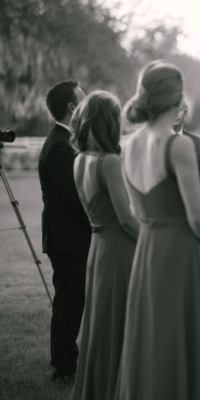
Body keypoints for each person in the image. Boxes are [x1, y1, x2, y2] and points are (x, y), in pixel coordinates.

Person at [114, 60, 200, 400]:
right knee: (179, 335)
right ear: (176, 97)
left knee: (152, 334)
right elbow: (197, 215)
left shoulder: (127, 146)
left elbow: (135, 208)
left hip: (146, 248)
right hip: (179, 251)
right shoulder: (178, 145)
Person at [69, 91, 139, 400]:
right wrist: (153, 241)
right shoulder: (109, 161)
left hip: (98, 248)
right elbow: (125, 219)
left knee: (102, 325)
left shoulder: (80, 159)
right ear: (109, 121)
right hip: (118, 248)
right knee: (120, 324)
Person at [38, 79, 90, 382]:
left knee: (73, 300)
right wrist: (99, 225)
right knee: (69, 303)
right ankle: (64, 368)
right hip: (68, 237)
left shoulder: (65, 140)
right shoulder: (59, 145)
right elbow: (75, 198)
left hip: (71, 236)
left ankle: (70, 361)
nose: (85, 105)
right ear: (72, 107)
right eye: (82, 100)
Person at [173, 99, 200, 199]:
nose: (176, 114)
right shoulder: (157, 143)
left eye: (180, 110)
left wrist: (193, 201)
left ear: (185, 112)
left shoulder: (198, 144)